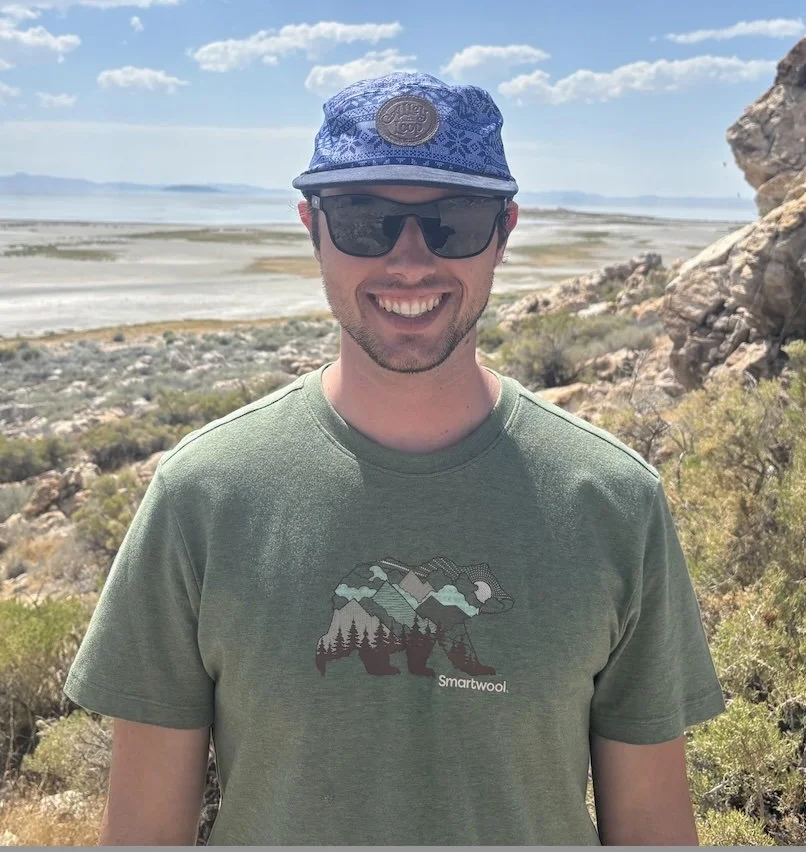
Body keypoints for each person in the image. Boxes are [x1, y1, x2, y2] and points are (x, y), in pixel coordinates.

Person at [63, 71, 726, 846]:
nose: (410, 261)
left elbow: (651, 828)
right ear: (312, 228)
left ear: (504, 232)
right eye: (365, 221)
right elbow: (144, 833)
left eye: (454, 222)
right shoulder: (202, 497)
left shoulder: (613, 500)